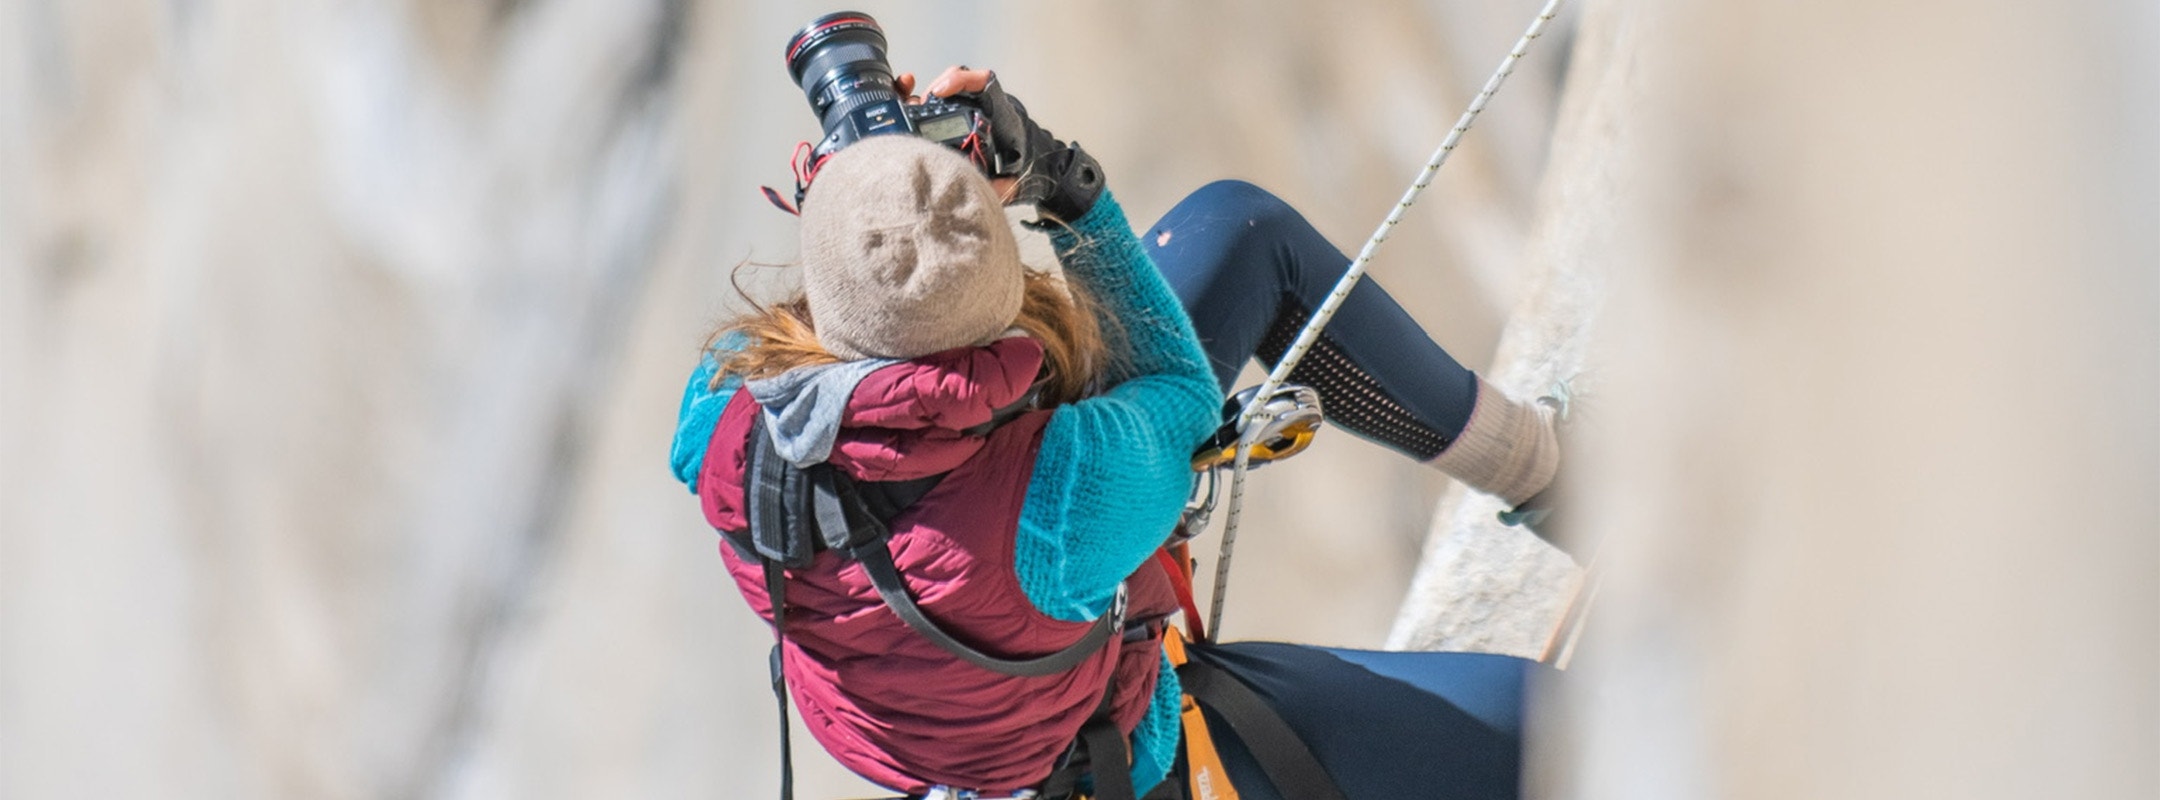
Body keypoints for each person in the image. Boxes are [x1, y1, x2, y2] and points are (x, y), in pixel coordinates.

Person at [671, 67, 1563, 800]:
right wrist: (1065, 184)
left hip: (975, 726)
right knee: (1564, 734)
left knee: (1234, 235)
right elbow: (1175, 396)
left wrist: (865, 213)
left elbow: (820, 344)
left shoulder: (723, 433)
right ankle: (1548, 476)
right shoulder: (1065, 490)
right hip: (1123, 767)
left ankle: (1529, 464)